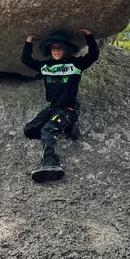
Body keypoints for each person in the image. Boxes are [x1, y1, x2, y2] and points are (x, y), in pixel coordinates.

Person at [21, 28, 99, 182]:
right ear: (50, 50)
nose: (56, 50)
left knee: (47, 130)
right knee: (29, 130)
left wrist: (89, 36)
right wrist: (29, 41)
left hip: (67, 110)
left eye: (59, 47)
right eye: (53, 48)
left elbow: (93, 56)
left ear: (65, 49)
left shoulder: (75, 65)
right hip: (51, 109)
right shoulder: (45, 67)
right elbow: (26, 59)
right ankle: (67, 128)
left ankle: (51, 163)